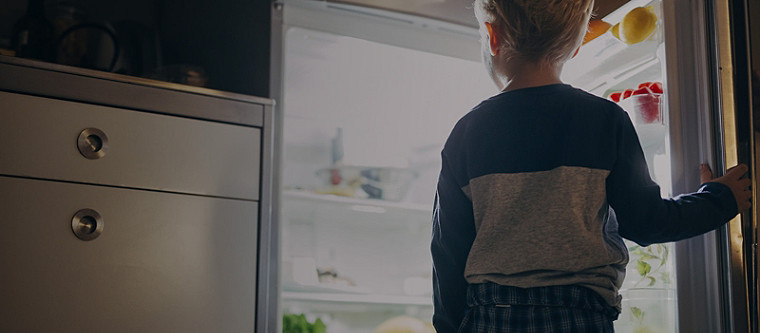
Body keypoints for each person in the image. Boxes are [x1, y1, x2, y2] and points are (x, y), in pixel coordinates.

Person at [430, 0, 752, 332]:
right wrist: (719, 199)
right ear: (576, 45)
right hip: (581, 317)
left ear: (492, 36)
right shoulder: (604, 119)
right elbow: (647, 222)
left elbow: (448, 255)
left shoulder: (467, 132)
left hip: (492, 316)